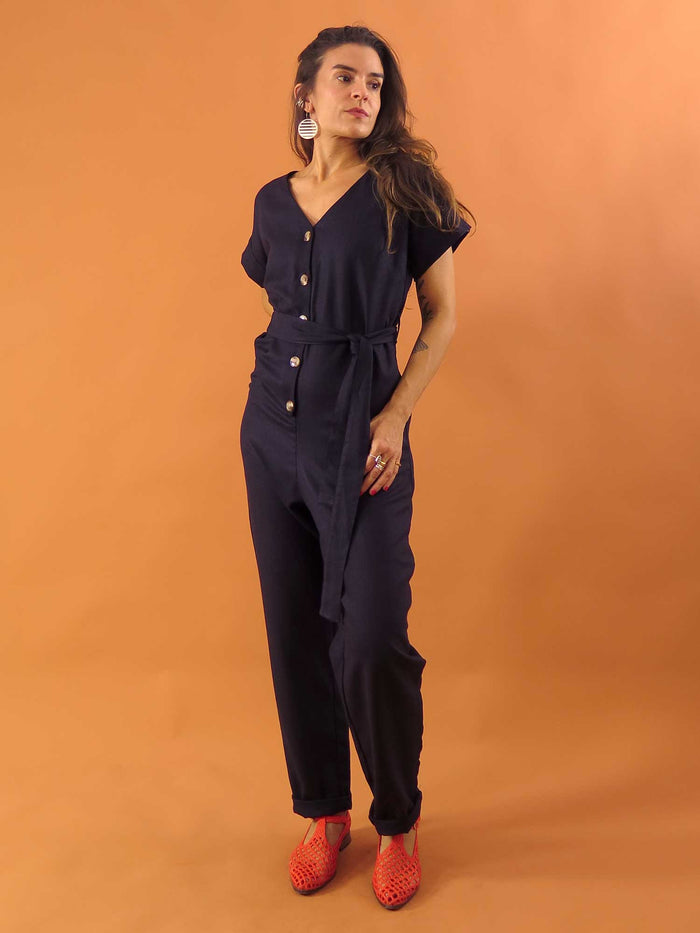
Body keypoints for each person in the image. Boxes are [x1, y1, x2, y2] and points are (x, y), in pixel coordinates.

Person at [239, 24, 474, 910]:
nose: (363, 94)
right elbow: (283, 310)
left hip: (364, 439)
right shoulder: (272, 202)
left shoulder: (407, 190)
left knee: (372, 635)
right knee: (294, 629)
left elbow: (442, 315)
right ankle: (325, 813)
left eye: (375, 83)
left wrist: (396, 413)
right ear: (306, 95)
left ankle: (398, 819)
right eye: (345, 78)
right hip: (272, 434)